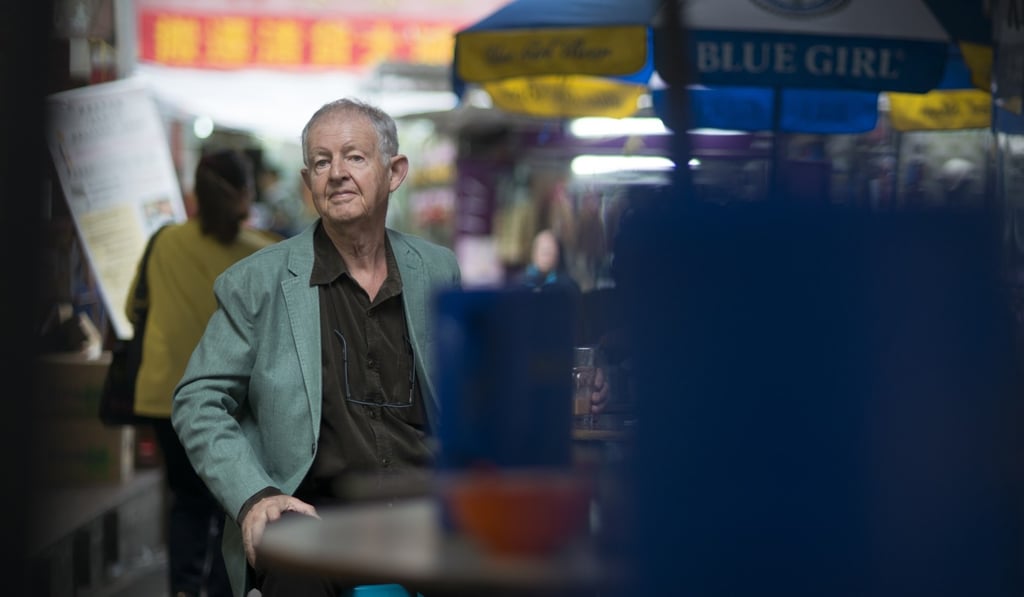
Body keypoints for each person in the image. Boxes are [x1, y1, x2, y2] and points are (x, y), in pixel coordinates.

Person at [172, 98, 609, 597]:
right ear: (307, 181)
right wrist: (254, 495)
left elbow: (481, 388)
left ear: (395, 171)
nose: (336, 173)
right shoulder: (259, 282)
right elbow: (197, 400)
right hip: (312, 515)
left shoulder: (436, 269)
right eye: (321, 161)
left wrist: (557, 387)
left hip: (427, 510)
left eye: (354, 157)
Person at [129, 149, 281, 597]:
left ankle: (182, 588)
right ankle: (220, 588)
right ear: (246, 194)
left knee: (187, 501)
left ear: (195, 191)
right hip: (233, 401)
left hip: (164, 395)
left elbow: (131, 309)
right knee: (230, 503)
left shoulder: (164, 242)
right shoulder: (267, 252)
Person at [517, 228, 580, 295]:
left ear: (557, 255)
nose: (547, 257)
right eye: (544, 252)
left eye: (550, 252)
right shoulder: (519, 283)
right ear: (534, 254)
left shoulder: (567, 286)